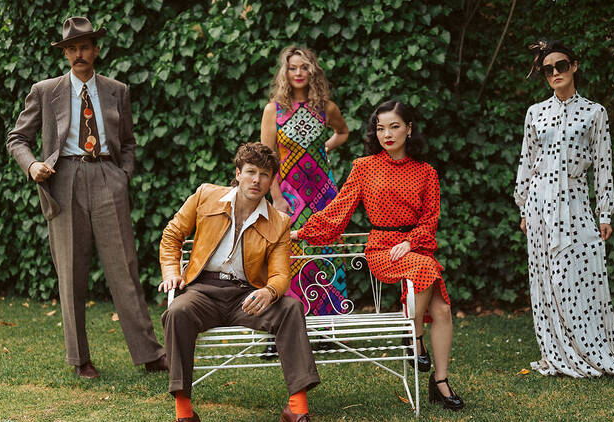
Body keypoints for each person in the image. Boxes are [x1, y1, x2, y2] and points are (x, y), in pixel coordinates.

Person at [6, 17, 167, 378]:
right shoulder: (46, 90)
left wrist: (122, 176)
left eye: (85, 47)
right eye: (72, 48)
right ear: (65, 53)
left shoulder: (117, 90)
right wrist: (32, 167)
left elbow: (127, 143)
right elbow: (17, 138)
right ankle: (80, 360)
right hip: (63, 179)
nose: (79, 54)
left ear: (96, 50)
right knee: (71, 272)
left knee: (124, 268)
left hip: (108, 176)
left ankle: (150, 354)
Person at [292, 100, 464, 411]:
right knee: (426, 269)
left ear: (409, 129)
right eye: (381, 127)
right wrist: (302, 232)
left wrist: (411, 242)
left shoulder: (426, 172)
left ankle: (440, 381)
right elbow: (339, 209)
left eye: (394, 126)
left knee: (442, 310)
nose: (387, 133)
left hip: (415, 245)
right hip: (382, 248)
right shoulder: (365, 167)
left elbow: (430, 221)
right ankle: (414, 337)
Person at [158, 143, 320, 422]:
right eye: (250, 172)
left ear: (271, 181)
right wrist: (172, 270)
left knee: (291, 308)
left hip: (247, 297)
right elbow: (172, 235)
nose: (256, 180)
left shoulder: (278, 222)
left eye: (265, 175)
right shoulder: (205, 196)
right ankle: (184, 413)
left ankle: (296, 408)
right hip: (202, 293)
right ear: (238, 173)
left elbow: (281, 273)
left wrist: (270, 292)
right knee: (176, 313)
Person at [514, 40, 614, 378]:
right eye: (547, 69)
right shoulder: (535, 113)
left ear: (574, 66)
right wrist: (524, 208)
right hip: (540, 203)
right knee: (546, 280)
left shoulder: (594, 113)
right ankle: (556, 350)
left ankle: (594, 351)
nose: (555, 73)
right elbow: (527, 163)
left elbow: (603, 164)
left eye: (561, 66)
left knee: (581, 276)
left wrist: (604, 214)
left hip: (575, 200)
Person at [260, 45, 350, 358]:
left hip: (323, 193)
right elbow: (266, 158)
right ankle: (278, 331)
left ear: (312, 71)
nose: (298, 73)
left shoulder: (325, 107)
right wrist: (276, 197)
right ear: (285, 73)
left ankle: (326, 330)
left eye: (304, 67)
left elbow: (342, 133)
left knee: (325, 254)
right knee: (286, 257)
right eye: (292, 68)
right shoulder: (274, 110)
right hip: (289, 195)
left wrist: (326, 146)